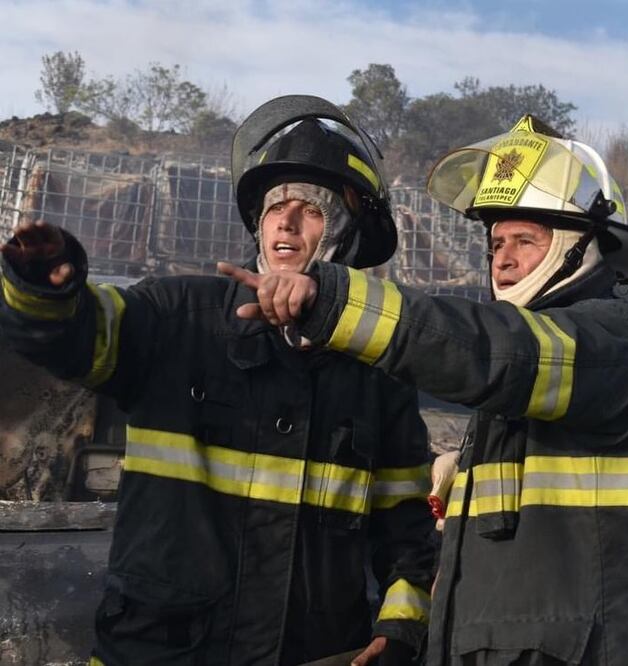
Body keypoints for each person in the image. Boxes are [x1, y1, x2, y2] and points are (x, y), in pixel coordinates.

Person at [220, 115, 628, 665]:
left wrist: (332, 301)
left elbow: (493, 353)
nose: (503, 259)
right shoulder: (536, 379)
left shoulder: (610, 344)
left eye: (525, 241)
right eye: (495, 243)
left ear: (579, 248)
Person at [0, 95, 435, 666]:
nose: (285, 219)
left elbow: (406, 534)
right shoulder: (176, 317)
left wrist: (400, 632)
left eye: (311, 207)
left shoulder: (379, 372)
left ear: (348, 230)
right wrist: (45, 291)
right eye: (275, 205)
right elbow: (79, 337)